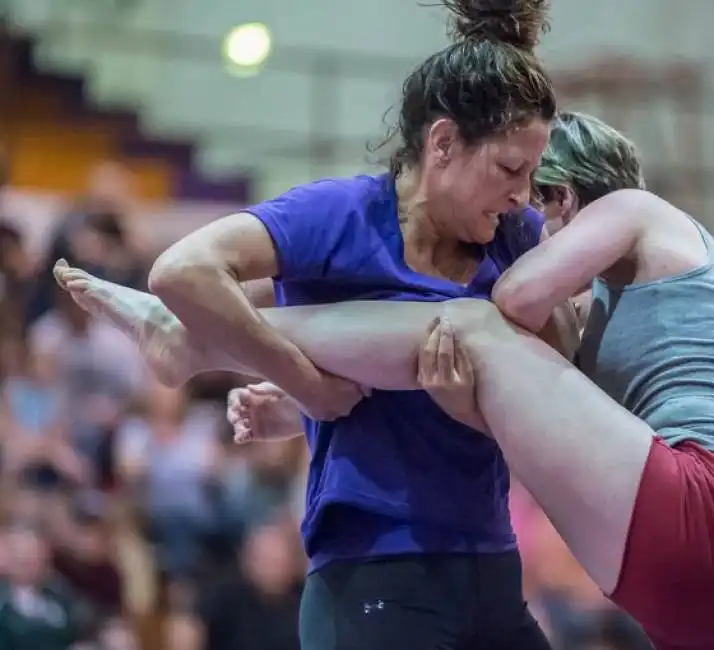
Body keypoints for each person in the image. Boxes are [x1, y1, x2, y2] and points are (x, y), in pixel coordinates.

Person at [57, 1, 561, 648]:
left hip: (491, 565)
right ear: (441, 144)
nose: (522, 194)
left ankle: (188, 344)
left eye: (532, 173)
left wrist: (296, 407)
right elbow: (181, 271)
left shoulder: (512, 237)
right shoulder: (342, 213)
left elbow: (537, 384)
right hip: (373, 568)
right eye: (508, 170)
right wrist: (303, 382)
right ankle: (182, 341)